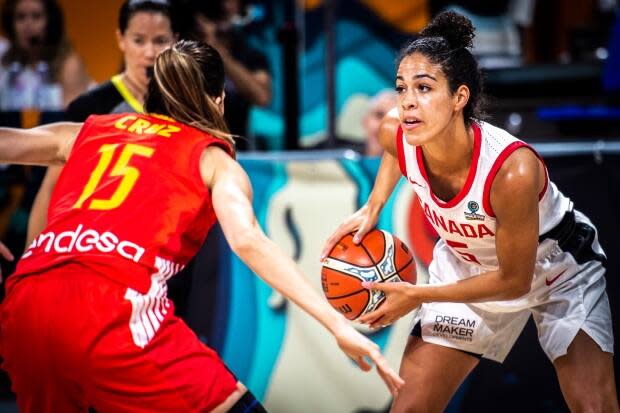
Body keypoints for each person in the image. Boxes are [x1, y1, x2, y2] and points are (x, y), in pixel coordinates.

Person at [0, 40, 403, 413]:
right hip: (110, 306)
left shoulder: (90, 129)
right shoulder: (212, 159)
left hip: (24, 302)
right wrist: (336, 325)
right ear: (219, 100)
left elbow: (7, 141)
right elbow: (248, 241)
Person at [322, 11, 618, 413]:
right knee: (410, 409)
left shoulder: (511, 170)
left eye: (424, 88)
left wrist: (417, 294)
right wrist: (372, 207)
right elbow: (394, 146)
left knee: (593, 407)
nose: (408, 100)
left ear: (460, 97)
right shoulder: (398, 128)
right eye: (402, 87)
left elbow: (514, 281)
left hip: (556, 268)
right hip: (468, 264)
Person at [26, 0, 178, 246]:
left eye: (160, 41)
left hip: (169, 249)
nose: (150, 53)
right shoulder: (89, 108)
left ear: (175, 40)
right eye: (139, 40)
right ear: (121, 39)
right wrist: (29, 257)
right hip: (103, 246)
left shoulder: (188, 108)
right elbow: (52, 188)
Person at [191, 0, 271, 150]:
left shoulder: (249, 52)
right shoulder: (184, 50)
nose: (225, 7)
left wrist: (218, 51)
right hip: (192, 146)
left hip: (236, 149)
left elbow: (262, 97)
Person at [0, 0, 91, 110]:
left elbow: (74, 115)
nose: (28, 25)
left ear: (51, 23)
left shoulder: (68, 63)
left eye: (36, 16)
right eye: (20, 17)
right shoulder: (6, 61)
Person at [363, 89, 398, 157]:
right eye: (379, 115)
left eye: (394, 120)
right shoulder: (343, 159)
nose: (384, 125)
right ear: (365, 121)